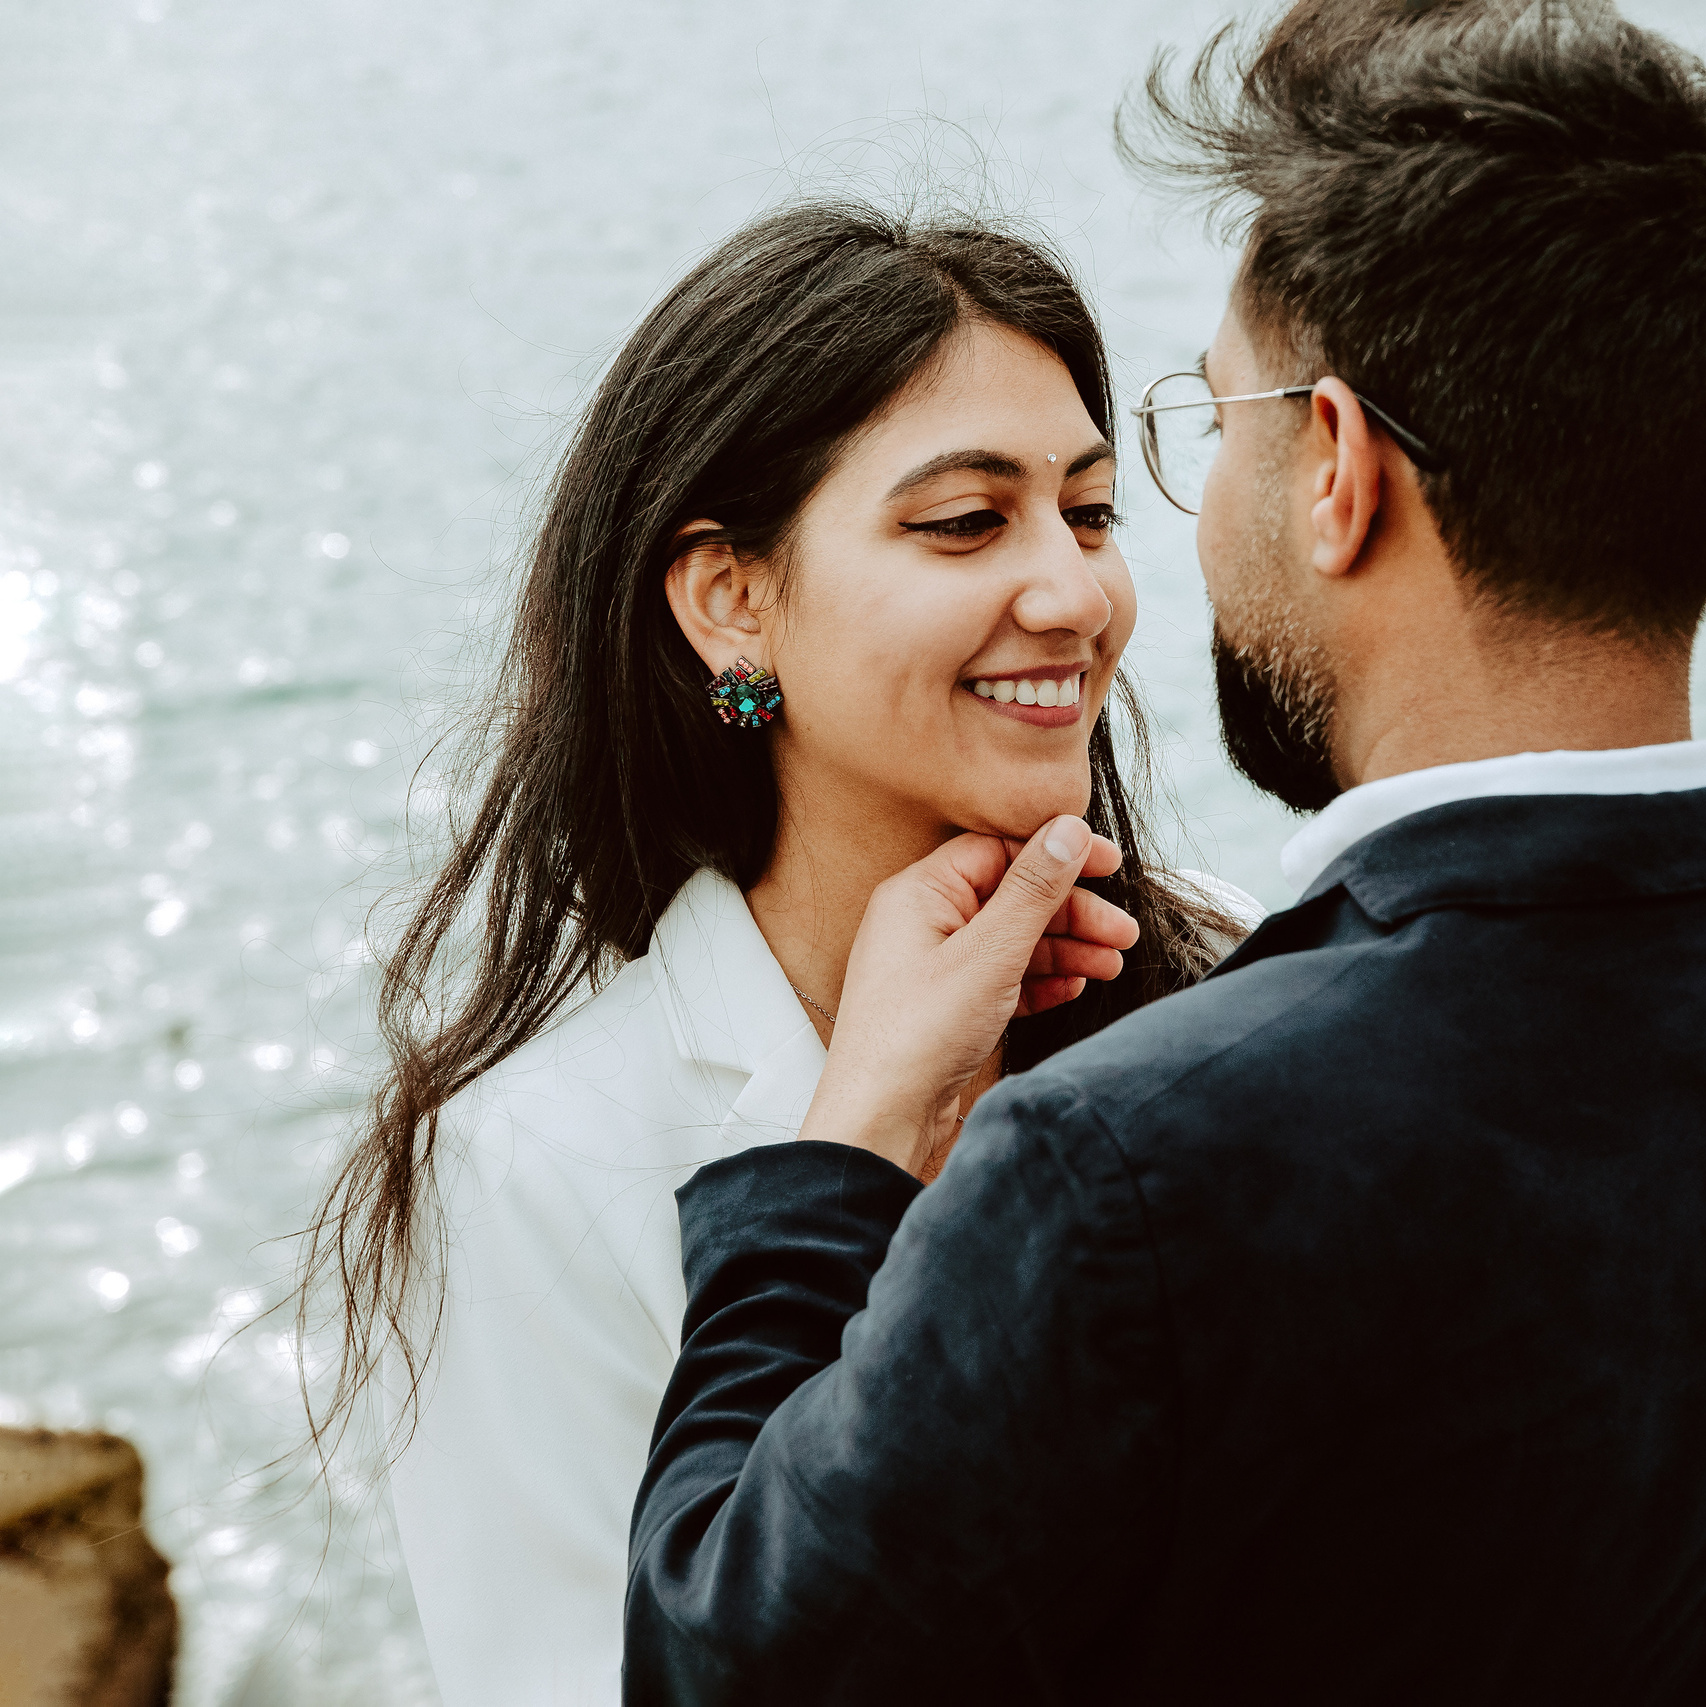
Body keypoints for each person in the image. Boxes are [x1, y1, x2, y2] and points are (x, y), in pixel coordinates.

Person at [626, 2, 1706, 1702]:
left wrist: (842, 1162)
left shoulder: (1124, 1165)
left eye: (1217, 421)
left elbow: (723, 1667)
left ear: (1336, 466)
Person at [289, 204, 1256, 1706]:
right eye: (962, 522)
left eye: (1090, 510)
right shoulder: (532, 1164)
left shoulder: (1226, 980)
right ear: (734, 603)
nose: (1073, 592)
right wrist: (858, 1137)